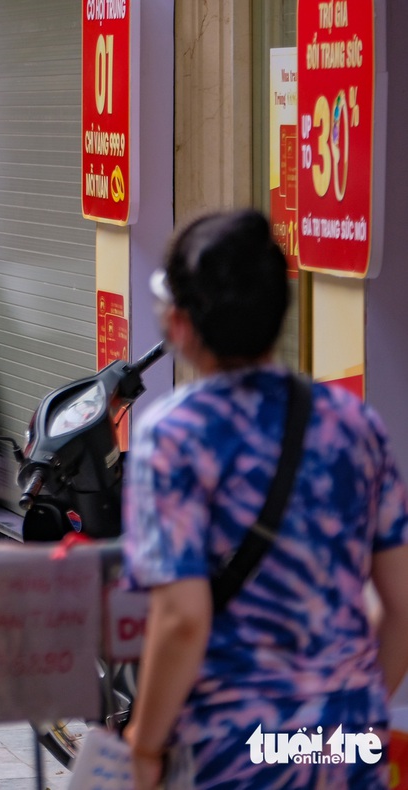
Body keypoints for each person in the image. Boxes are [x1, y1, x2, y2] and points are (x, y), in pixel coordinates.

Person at [121, 209, 408, 788]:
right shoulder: (354, 423)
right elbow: (400, 603)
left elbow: (181, 620)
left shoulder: (173, 435)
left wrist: (144, 746)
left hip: (233, 749)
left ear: (178, 323)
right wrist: (351, 701)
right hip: (347, 739)